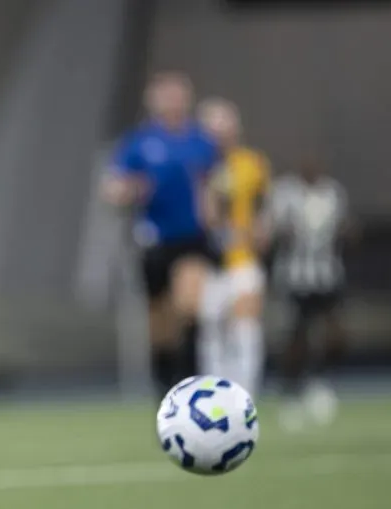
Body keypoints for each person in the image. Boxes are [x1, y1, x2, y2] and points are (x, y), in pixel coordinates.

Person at [103, 71, 220, 398]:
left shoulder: (201, 142)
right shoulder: (140, 143)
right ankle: (164, 385)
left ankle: (193, 383)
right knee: (161, 319)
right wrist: (130, 190)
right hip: (155, 238)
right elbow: (113, 186)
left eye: (177, 94)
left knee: (189, 306)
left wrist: (212, 209)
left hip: (191, 238)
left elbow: (214, 184)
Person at [267, 158, 350, 431]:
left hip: (327, 274)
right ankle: (291, 391)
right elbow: (278, 231)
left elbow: (343, 228)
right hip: (295, 276)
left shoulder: (333, 192)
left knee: (334, 332)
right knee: (296, 334)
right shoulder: (285, 193)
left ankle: (321, 381)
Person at [196, 98, 271, 398]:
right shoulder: (198, 165)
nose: (220, 133)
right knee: (211, 328)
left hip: (242, 258)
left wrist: (261, 232)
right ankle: (214, 394)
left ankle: (245, 395)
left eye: (225, 125)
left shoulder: (251, 163)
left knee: (245, 327)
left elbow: (264, 207)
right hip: (207, 261)